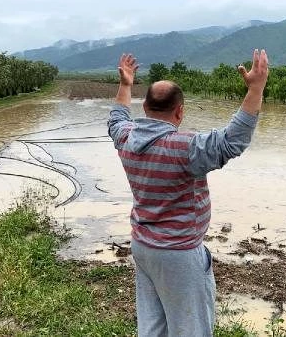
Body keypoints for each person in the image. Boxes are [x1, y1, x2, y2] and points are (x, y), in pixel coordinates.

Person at [108, 49, 268, 337]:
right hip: (179, 254)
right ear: (180, 111)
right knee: (191, 329)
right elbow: (232, 141)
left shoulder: (127, 139)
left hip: (143, 247)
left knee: (152, 326)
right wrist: (256, 88)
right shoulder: (185, 148)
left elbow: (116, 119)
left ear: (144, 108)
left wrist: (125, 85)